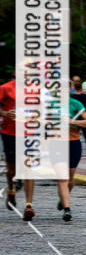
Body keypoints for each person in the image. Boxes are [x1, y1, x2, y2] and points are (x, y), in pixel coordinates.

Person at [0, 73, 35, 219]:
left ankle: (29, 206)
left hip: (29, 133)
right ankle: (11, 191)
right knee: (12, 170)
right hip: (10, 133)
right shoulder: (5, 88)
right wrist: (5, 113)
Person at [56, 97, 86, 222]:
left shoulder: (75, 104)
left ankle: (63, 199)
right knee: (62, 178)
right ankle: (67, 209)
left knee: (70, 178)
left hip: (73, 143)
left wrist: (72, 122)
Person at [71, 76, 86, 156]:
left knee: (75, 133)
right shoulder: (85, 95)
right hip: (84, 115)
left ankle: (74, 148)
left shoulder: (72, 96)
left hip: (76, 116)